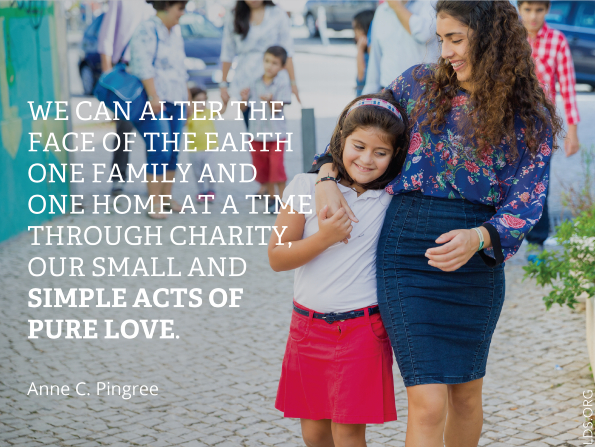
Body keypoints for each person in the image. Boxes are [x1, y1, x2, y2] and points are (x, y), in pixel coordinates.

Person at [311, 2, 563, 446]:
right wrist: (328, 176)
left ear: (490, 37)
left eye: (456, 38)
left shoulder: (530, 115)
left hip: (476, 261)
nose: (444, 50)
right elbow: (359, 128)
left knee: (466, 394)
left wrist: (480, 236)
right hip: (406, 254)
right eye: (441, 38)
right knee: (428, 401)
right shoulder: (416, 85)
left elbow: (528, 201)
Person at [269, 90, 410, 447]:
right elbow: (277, 257)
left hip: (362, 330)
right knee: (314, 433)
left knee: (348, 434)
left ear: (394, 156)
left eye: (380, 153)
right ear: (341, 142)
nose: (366, 159)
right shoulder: (305, 186)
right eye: (358, 146)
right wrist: (326, 237)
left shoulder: (390, 197)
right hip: (307, 327)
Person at [517, 0, 581, 256]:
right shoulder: (510, 37)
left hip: (542, 126)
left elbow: (568, 87)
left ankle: (537, 244)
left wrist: (573, 132)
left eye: (539, 10)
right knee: (504, 180)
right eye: (528, 9)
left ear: (547, 10)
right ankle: (496, 242)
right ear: (519, 9)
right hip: (509, 121)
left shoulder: (557, 41)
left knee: (538, 183)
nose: (533, 16)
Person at [128, 0, 189, 219]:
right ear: (166, 6)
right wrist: (153, 96)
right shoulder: (147, 29)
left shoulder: (175, 32)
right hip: (155, 100)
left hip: (177, 99)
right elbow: (142, 64)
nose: (182, 13)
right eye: (180, 8)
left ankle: (166, 198)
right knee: (159, 148)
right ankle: (153, 203)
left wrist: (187, 98)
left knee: (173, 151)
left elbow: (180, 68)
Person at [97, 0, 154, 196]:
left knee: (155, 129)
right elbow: (105, 39)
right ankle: (118, 178)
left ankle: (154, 181)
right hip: (126, 73)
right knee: (123, 129)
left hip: (151, 74)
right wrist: (109, 82)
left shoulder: (157, 5)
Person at [240, 46, 291, 213]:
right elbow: (243, 108)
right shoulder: (254, 81)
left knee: (276, 167)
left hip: (276, 134)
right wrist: (243, 99)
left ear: (282, 66)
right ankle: (271, 197)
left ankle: (283, 201)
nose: (270, 66)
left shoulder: (282, 82)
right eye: (267, 61)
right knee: (262, 168)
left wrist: (270, 100)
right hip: (256, 134)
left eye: (275, 63)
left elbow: (278, 107)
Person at [362, 0, 439, 94]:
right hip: (388, 93)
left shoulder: (430, 4)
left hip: (424, 92)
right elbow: (375, 57)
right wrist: (368, 95)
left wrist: (397, 7)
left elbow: (424, 34)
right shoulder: (382, 11)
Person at [186, 87, 226, 203]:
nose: (202, 103)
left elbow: (222, 111)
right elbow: (183, 123)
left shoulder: (208, 112)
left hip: (210, 148)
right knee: (198, 173)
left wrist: (225, 102)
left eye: (204, 100)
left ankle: (212, 190)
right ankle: (201, 191)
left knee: (211, 170)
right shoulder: (190, 115)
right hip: (194, 149)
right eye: (198, 101)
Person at [352, 10, 375, 96]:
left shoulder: (368, 53)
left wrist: (360, 50)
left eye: (356, 28)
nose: (355, 32)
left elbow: (361, 76)